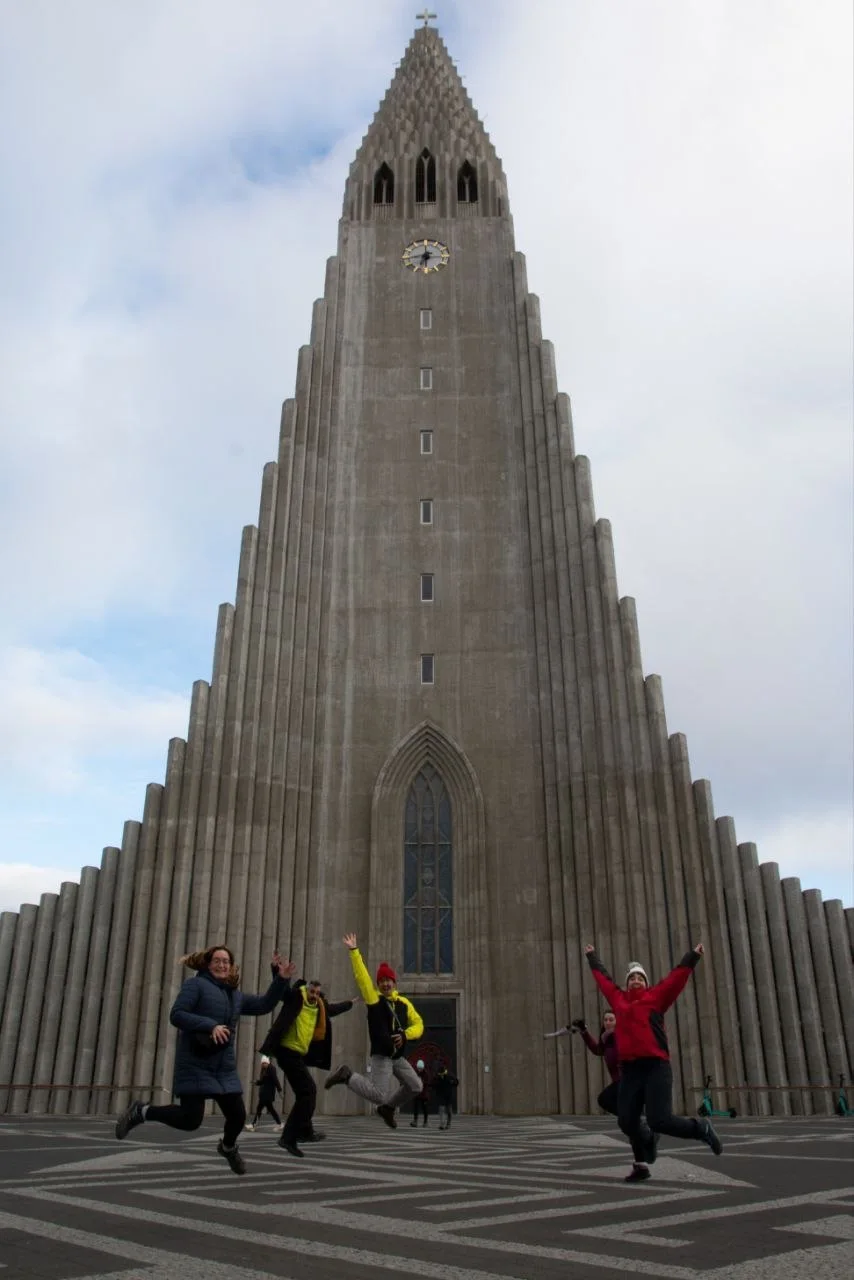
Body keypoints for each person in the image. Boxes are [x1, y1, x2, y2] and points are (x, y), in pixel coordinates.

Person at [115, 946, 293, 1174]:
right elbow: (177, 1014)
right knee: (190, 1120)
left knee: (238, 1116)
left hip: (223, 1066)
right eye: (217, 960)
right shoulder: (195, 985)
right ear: (208, 964)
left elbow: (264, 1005)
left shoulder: (235, 996)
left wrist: (281, 979)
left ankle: (228, 1148)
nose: (222, 965)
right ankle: (141, 1112)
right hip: (195, 1061)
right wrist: (210, 1026)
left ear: (231, 966)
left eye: (226, 961)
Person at [583, 942, 723, 1166]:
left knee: (660, 1120)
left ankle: (701, 1128)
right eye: (632, 978)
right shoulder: (618, 1000)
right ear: (626, 984)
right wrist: (592, 957)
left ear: (646, 983)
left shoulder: (656, 997)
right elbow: (604, 980)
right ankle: (647, 1139)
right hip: (630, 1071)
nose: (635, 981)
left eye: (640, 978)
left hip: (656, 1067)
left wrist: (693, 956)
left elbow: (676, 979)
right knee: (626, 1122)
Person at [324, 932, 423, 1129]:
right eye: (382, 981)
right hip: (382, 1055)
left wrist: (405, 1034)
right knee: (378, 1095)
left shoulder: (404, 1003)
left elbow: (419, 1024)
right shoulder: (374, 1000)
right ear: (378, 984)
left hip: (398, 1057)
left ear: (394, 983)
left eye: (388, 980)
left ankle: (387, 1109)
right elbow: (362, 977)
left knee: (416, 1086)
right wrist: (354, 951)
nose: (385, 983)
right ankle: (347, 1076)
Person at [546, 1011, 655, 1182]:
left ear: (617, 1022)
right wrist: (583, 1031)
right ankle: (641, 1166)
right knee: (631, 1126)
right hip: (622, 1084)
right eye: (606, 1020)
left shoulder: (621, 1036)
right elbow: (597, 1050)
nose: (608, 1022)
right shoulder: (606, 1040)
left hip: (630, 1082)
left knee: (605, 1100)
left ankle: (643, 1129)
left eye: (611, 1019)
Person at [260, 976, 355, 1158]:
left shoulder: (319, 1006)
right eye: (312, 992)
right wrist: (278, 973)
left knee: (305, 1093)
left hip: (297, 1055)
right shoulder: (296, 997)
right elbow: (282, 991)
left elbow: (333, 1009)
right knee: (308, 1091)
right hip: (286, 1051)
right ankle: (290, 1137)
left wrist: (350, 1003)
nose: (314, 996)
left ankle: (304, 1131)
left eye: (317, 993)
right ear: (306, 989)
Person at [245, 1056, 282, 1131]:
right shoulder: (264, 1069)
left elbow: (276, 1080)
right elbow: (262, 1081)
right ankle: (279, 1123)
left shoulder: (271, 1069)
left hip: (268, 1093)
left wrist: (280, 1090)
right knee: (270, 1109)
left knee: (260, 1108)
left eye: (264, 1063)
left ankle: (253, 1125)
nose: (263, 1065)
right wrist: (256, 1082)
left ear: (268, 1063)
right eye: (262, 1063)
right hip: (264, 1093)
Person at [432, 1063, 458, 1130]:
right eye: (440, 1074)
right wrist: (435, 1086)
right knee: (441, 1109)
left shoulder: (450, 1075)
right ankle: (442, 1124)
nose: (441, 1076)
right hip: (441, 1095)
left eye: (442, 1074)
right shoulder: (437, 1076)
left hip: (448, 1096)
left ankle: (448, 1124)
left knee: (449, 1111)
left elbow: (456, 1082)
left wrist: (453, 1082)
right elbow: (433, 1084)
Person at [410, 1059, 430, 1127]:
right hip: (417, 1093)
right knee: (416, 1107)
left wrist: (421, 1082)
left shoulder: (426, 1074)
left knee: (424, 1108)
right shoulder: (415, 1073)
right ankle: (415, 1121)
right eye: (418, 1068)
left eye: (420, 1068)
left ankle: (425, 1122)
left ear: (423, 1067)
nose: (419, 1069)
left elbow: (427, 1083)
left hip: (424, 1094)